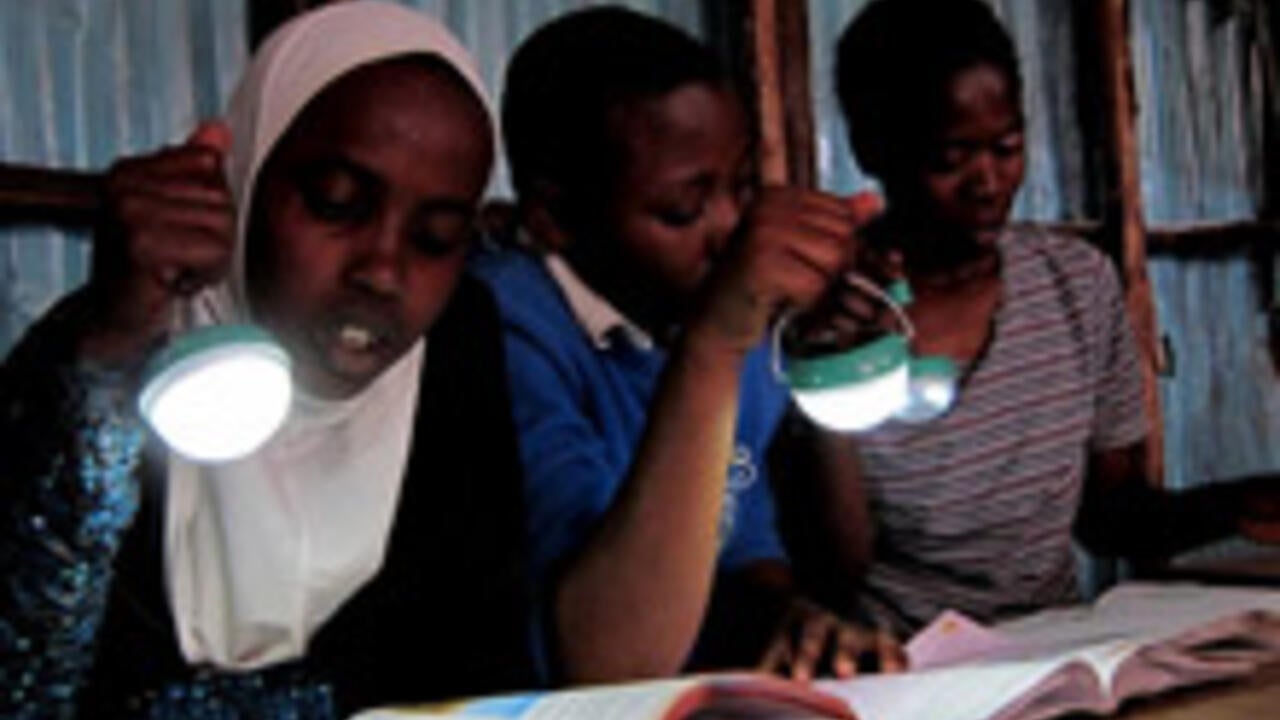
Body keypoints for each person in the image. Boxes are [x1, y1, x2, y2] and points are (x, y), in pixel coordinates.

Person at [0, 3, 537, 716]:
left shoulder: (455, 351)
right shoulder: (113, 340)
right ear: (244, 179)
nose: (382, 270)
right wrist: (110, 363)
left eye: (435, 239)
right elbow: (23, 680)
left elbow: (479, 671)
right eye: (336, 204)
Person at [781, 0, 1280, 635]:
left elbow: (1109, 519)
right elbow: (832, 573)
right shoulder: (828, 317)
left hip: (1055, 656)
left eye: (1007, 147)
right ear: (874, 149)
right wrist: (830, 370)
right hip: (899, 670)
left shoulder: (1077, 287)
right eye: (950, 158)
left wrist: (1239, 503)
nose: (987, 182)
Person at [474, 7, 902, 685]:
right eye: (682, 210)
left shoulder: (721, 316)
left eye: (743, 187)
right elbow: (596, 657)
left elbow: (747, 555)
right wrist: (717, 341)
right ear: (552, 218)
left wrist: (788, 620)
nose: (732, 229)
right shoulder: (505, 328)